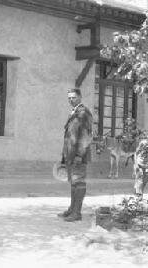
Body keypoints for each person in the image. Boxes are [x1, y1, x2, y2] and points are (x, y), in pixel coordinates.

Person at [58, 88, 93, 222]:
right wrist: (64, 155)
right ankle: (72, 209)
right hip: (70, 154)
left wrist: (79, 155)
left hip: (79, 155)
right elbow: (69, 136)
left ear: (80, 97)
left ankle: (77, 213)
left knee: (79, 182)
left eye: (73, 97)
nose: (71, 100)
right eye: (69, 98)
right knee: (73, 182)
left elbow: (85, 136)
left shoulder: (83, 113)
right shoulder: (74, 113)